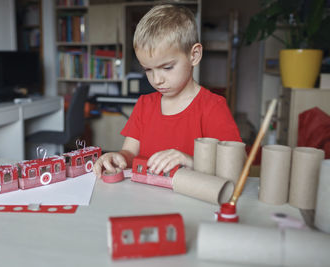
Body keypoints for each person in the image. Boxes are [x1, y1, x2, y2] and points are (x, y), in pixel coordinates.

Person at [93, 4, 241, 178]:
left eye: (167, 67)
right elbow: (130, 154)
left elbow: (238, 165)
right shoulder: (144, 105)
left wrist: (190, 161)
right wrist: (118, 157)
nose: (157, 80)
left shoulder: (212, 107)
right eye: (148, 69)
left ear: (194, 55)